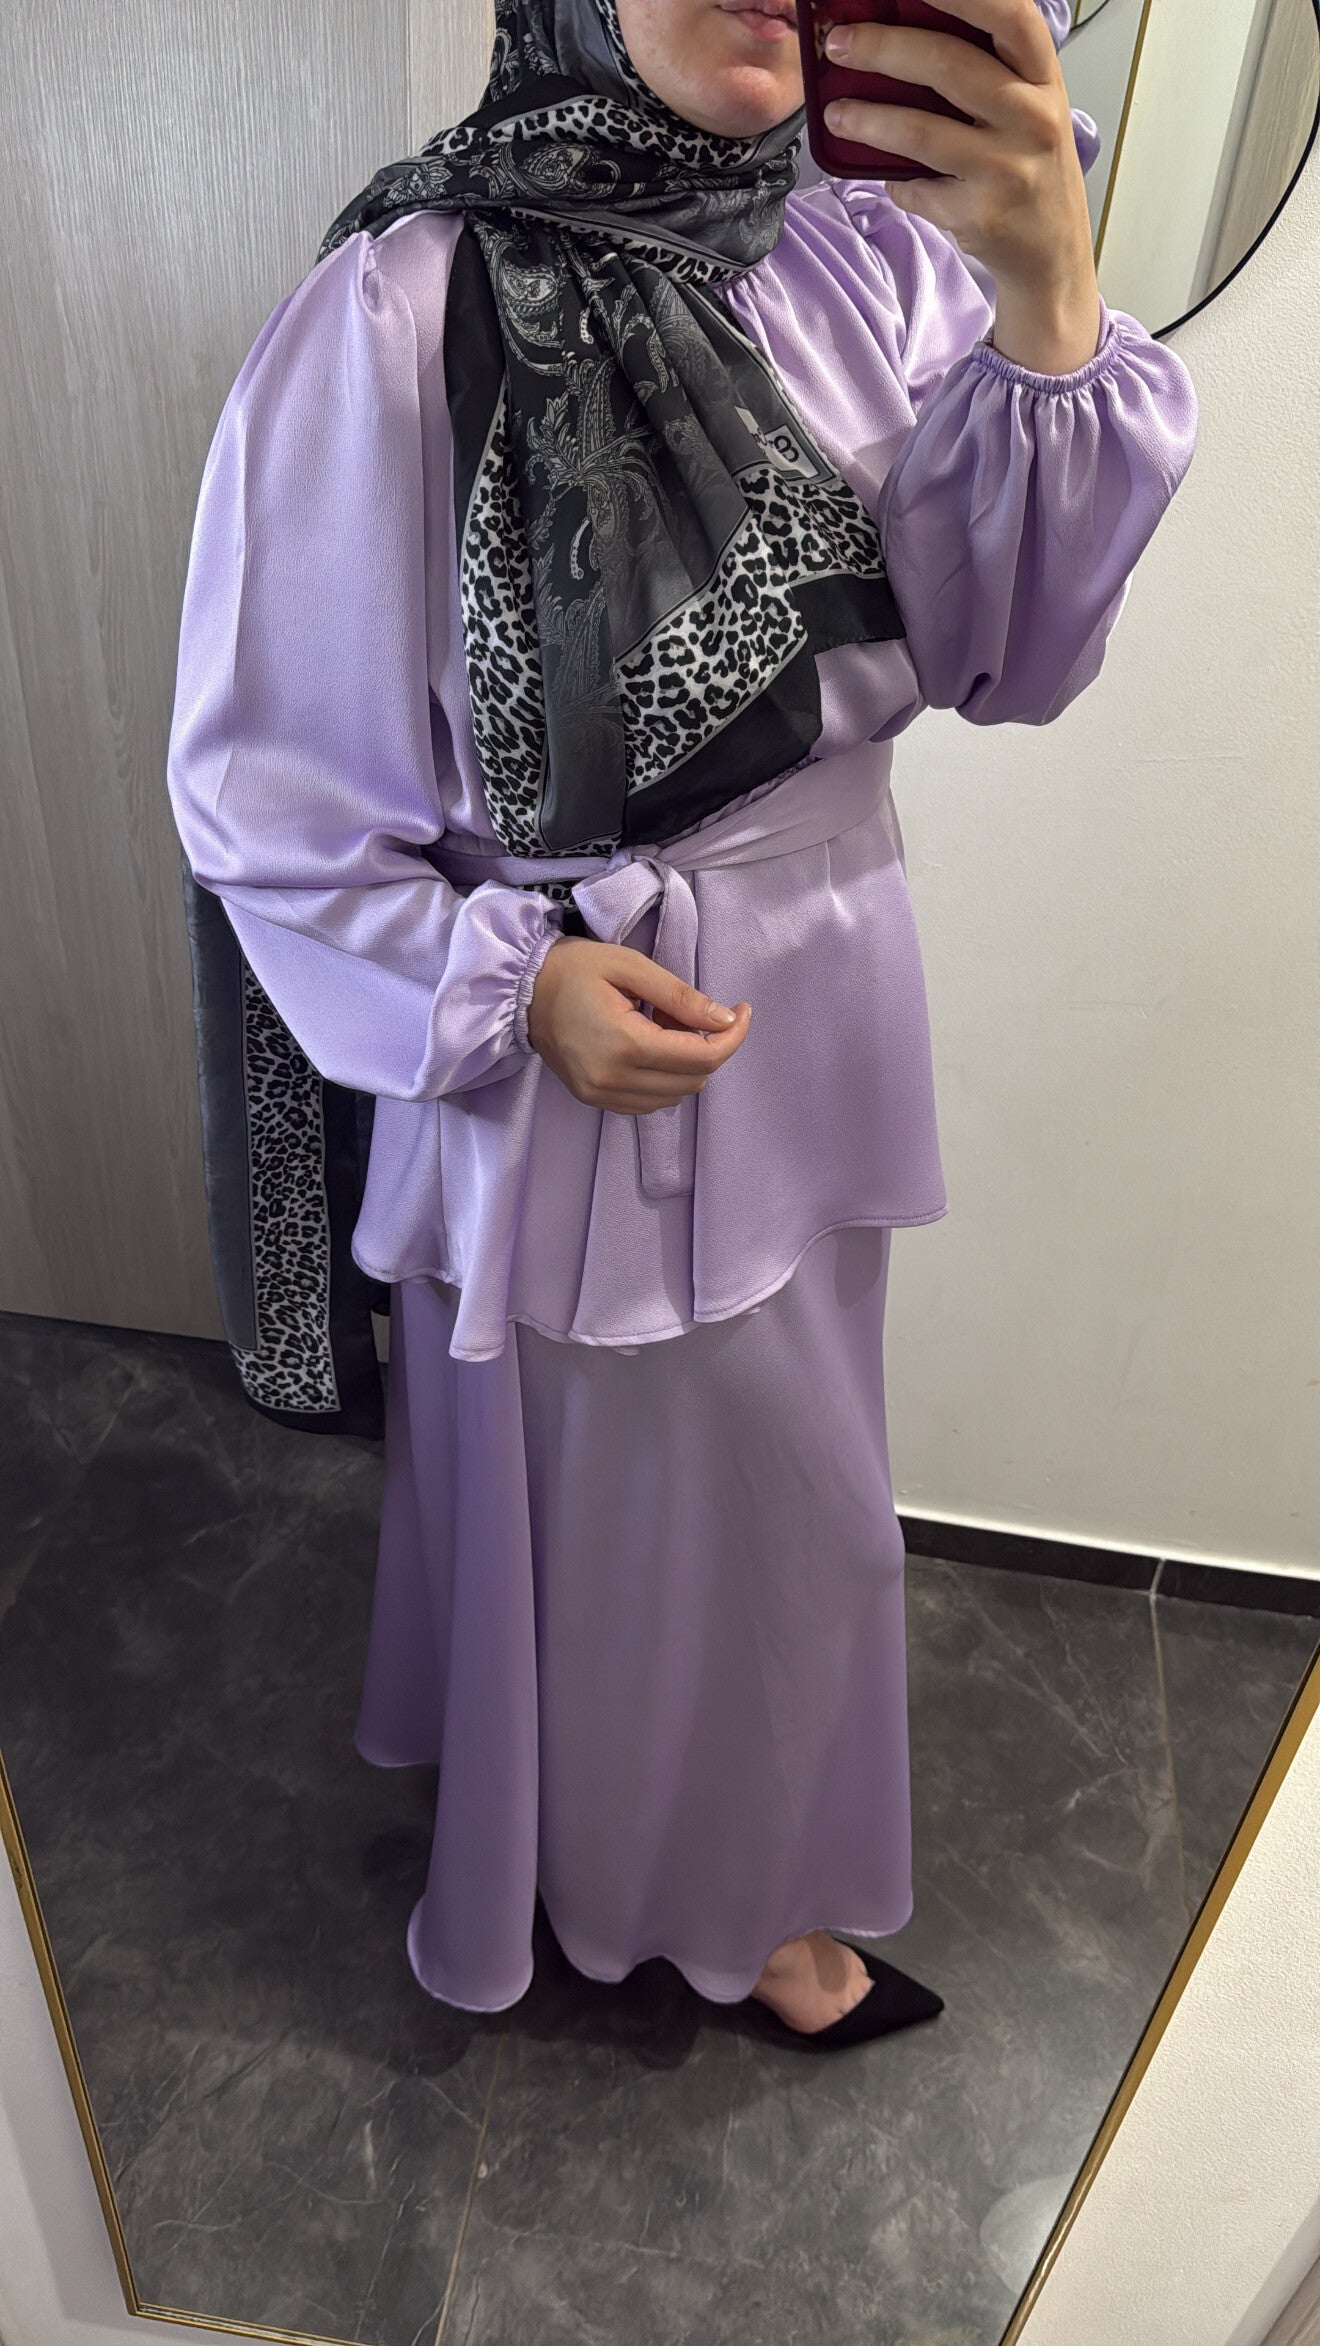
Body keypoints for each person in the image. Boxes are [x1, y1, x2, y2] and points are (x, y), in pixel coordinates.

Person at [165, 0, 1198, 2043]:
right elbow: (263, 802)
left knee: (734, 1505)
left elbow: (1006, 657)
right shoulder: (402, 310)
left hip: (823, 993)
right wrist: (511, 988)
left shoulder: (865, 263)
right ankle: (721, 1920)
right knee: (675, 1523)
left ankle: (608, 1849)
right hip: (569, 1042)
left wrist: (1048, 301)